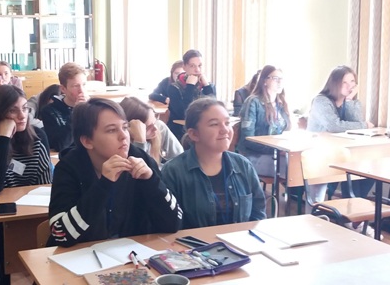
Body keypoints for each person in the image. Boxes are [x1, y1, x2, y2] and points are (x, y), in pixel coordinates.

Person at [48, 98, 182, 247]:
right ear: (87, 141)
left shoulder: (140, 159)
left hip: (130, 255)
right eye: (111, 130)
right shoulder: (69, 167)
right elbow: (61, 235)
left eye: (125, 127)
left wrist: (151, 180)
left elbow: (174, 223)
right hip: (79, 256)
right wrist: (103, 185)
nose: (123, 136)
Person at [0, 85, 52, 280]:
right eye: (13, 110)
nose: (22, 115)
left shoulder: (38, 137)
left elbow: (45, 186)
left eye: (24, 108)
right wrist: (4, 139)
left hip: (32, 213)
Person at [161, 97, 266, 229]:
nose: (225, 130)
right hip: (193, 242)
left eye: (227, 123)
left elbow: (258, 212)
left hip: (239, 240)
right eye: (214, 124)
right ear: (194, 134)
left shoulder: (243, 165)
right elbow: (170, 222)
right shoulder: (173, 172)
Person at [306, 65, 376, 234]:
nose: (350, 86)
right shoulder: (321, 101)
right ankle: (352, 219)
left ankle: (353, 217)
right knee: (350, 170)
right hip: (319, 154)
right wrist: (364, 125)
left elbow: (357, 126)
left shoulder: (350, 102)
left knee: (367, 167)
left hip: (343, 153)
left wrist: (350, 100)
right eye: (345, 82)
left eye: (352, 81)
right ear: (335, 83)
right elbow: (334, 126)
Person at [236, 65, 290, 178]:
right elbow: (248, 139)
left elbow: (286, 132)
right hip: (253, 156)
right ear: (264, 81)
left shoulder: (281, 104)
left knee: (302, 164)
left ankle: (299, 191)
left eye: (281, 79)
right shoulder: (253, 102)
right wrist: (275, 150)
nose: (280, 82)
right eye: (275, 78)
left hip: (276, 154)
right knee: (294, 169)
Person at [168, 49, 216, 141]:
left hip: (203, 129)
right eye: (192, 66)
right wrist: (190, 87)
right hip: (181, 132)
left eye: (200, 66)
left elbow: (214, 109)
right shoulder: (174, 87)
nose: (197, 70)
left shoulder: (207, 86)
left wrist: (207, 86)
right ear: (184, 67)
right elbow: (184, 114)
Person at [119, 96, 183, 166]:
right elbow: (139, 170)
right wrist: (140, 141)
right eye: (148, 127)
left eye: (155, 122)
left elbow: (180, 158)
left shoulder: (159, 127)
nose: (155, 128)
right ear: (130, 129)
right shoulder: (123, 143)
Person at [41, 63, 89, 152]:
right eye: (75, 86)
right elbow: (60, 145)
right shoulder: (49, 111)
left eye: (84, 84)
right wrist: (76, 112)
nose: (81, 90)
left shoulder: (94, 108)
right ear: (63, 89)